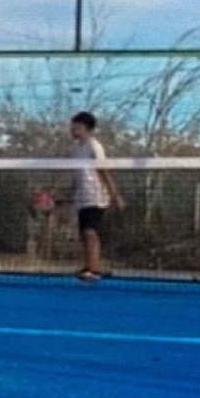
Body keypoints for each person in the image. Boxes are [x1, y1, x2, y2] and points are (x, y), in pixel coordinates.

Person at [68, 110, 120, 282]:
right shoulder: (77, 149)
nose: (72, 129)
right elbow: (77, 176)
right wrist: (69, 196)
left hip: (96, 195)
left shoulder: (94, 146)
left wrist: (114, 194)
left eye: (76, 125)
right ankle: (88, 266)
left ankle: (94, 269)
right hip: (82, 197)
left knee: (90, 231)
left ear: (85, 127)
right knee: (84, 233)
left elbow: (103, 170)